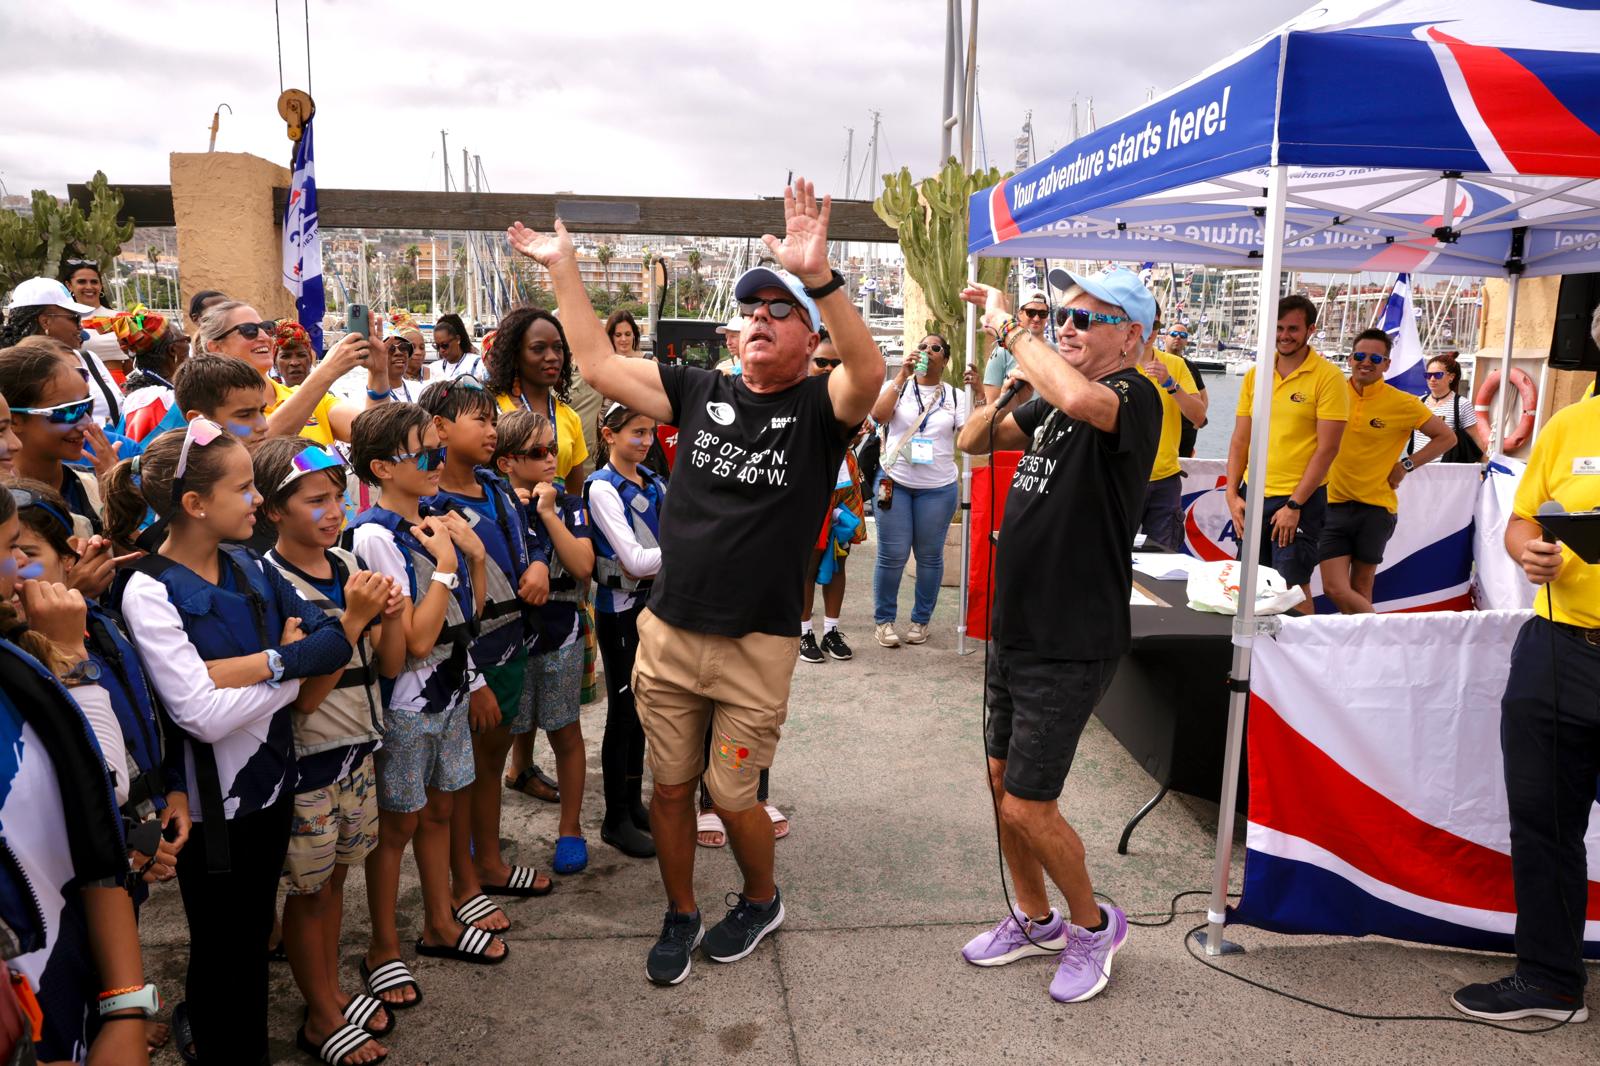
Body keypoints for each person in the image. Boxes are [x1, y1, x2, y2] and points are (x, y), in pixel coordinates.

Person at [507, 175, 884, 986]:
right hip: (670, 632)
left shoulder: (824, 408)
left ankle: (759, 898)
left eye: (779, 312)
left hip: (756, 645)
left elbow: (869, 365)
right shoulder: (698, 388)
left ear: (809, 333)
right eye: (751, 311)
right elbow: (601, 365)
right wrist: (563, 268)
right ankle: (681, 911)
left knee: (734, 794)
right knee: (671, 792)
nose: (759, 321)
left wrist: (819, 277)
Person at [104, 421, 353, 1066]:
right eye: (244, 488)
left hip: (270, 785)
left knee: (248, 944)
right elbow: (200, 717)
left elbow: (331, 641)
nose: (255, 501)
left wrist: (244, 672)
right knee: (222, 949)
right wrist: (284, 665)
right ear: (194, 504)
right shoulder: (147, 588)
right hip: (212, 812)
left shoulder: (247, 564)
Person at [954, 267, 1162, 1005]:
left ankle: (1092, 925)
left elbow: (1079, 395)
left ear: (1131, 337)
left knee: (1029, 804)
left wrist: (1016, 329)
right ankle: (1033, 917)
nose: (1068, 328)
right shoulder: (1051, 402)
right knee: (1002, 786)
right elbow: (974, 442)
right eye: (1064, 317)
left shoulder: (1134, 397)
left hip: (1072, 636)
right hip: (1017, 630)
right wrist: (1008, 382)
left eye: (1088, 319)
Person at [1451, 348, 1600, 1024]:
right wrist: (1525, 549)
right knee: (1543, 824)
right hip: (1555, 648)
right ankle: (1550, 979)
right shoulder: (1571, 424)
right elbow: (1522, 520)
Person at [346, 403, 507, 1016]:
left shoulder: (434, 519)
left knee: (441, 810)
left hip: (447, 687)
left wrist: (469, 560)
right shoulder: (373, 535)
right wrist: (446, 565)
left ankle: (439, 921)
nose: (438, 462)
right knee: (400, 825)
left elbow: (468, 614)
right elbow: (412, 639)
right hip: (407, 701)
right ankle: (381, 945)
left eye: (438, 451)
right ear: (383, 468)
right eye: (425, 454)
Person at [252, 438, 404, 1065]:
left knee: (338, 876)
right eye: (315, 500)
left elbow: (391, 664)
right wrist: (349, 621)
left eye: (338, 496)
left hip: (356, 753)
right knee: (308, 892)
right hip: (309, 763)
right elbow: (302, 701)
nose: (334, 509)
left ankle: (333, 991)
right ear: (272, 512)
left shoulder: (345, 567)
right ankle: (318, 1014)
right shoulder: (270, 585)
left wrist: (387, 615)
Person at [0, 486, 154, 1066]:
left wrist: (126, 1006)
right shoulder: (40, 655)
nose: (18, 569)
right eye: (11, 548)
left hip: (69, 969)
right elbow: (106, 779)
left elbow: (95, 807)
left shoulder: (13, 659)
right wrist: (70, 655)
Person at [418, 378, 556, 922]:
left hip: (511, 645)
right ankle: (463, 880)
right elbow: (442, 606)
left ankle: (490, 861)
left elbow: (531, 537)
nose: (493, 430)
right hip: (466, 661)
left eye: (493, 421)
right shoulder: (432, 505)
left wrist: (541, 560)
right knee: (456, 778)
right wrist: (471, 678)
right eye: (481, 420)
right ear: (441, 429)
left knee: (492, 760)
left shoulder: (494, 487)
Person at [488, 306, 596, 800]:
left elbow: (574, 486)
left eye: (558, 348)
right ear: (515, 353)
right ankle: (513, 768)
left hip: (557, 559)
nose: (551, 357)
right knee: (514, 689)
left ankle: (524, 768)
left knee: (550, 692)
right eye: (539, 348)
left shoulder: (568, 416)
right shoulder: (490, 407)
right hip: (505, 557)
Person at [492, 409, 595, 872]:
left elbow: (583, 566)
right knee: (498, 735)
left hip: (560, 633)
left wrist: (549, 512)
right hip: (508, 638)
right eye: (538, 452)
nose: (551, 458)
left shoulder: (571, 506)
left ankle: (569, 829)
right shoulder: (495, 507)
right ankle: (484, 830)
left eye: (553, 448)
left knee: (565, 729)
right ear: (506, 462)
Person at [1224, 294, 1348, 611]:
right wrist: (1231, 493)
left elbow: (1328, 448)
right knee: (1251, 584)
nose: (1284, 336)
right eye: (1278, 328)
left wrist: (1295, 504)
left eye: (1292, 328)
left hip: (1299, 500)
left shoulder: (1329, 377)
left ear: (1311, 330)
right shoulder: (1256, 374)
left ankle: (1301, 660)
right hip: (1253, 495)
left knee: (1292, 588)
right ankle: (1257, 660)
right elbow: (1240, 439)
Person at [1318, 329, 1456, 614]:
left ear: (1386, 364)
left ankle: (1359, 651)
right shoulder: (1331, 394)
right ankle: (1379, 629)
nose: (1365, 362)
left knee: (1362, 587)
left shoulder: (1403, 402)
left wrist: (1406, 465)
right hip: (1331, 504)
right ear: (1349, 359)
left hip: (1376, 508)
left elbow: (1447, 438)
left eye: (1375, 357)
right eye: (1359, 356)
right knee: (1334, 588)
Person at [585, 402, 666, 859]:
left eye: (650, 432)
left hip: (654, 609)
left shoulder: (653, 481)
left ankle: (634, 803)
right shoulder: (601, 488)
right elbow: (634, 561)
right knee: (623, 710)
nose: (646, 440)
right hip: (620, 610)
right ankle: (615, 817)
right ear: (609, 434)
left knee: (642, 710)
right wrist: (686, 555)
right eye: (636, 432)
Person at [868, 332, 969, 648]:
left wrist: (980, 393)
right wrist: (901, 374)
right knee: (892, 554)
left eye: (935, 348)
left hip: (937, 490)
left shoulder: (955, 396)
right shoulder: (899, 387)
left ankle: (920, 621)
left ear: (945, 360)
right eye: (922, 346)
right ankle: (884, 622)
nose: (927, 351)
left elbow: (970, 437)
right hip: (893, 483)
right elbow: (878, 416)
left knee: (928, 556)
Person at [195, 301, 386, 446]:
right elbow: (257, 448)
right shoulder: (212, 410)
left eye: (266, 328)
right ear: (216, 348)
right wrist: (326, 372)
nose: (264, 337)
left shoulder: (311, 398)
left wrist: (378, 373)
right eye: (249, 331)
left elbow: (374, 435)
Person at [0, 344, 114, 535]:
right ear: (15, 421)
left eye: (88, 405)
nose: (87, 422)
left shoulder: (90, 484)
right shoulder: (7, 507)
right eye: (69, 412)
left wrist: (114, 496)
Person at [799, 339, 866, 665]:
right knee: (807, 566)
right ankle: (804, 632)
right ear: (808, 364)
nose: (828, 369)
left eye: (836, 363)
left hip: (844, 488)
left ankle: (831, 630)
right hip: (808, 493)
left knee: (839, 561)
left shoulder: (850, 401)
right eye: (821, 362)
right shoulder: (797, 403)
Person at [1126, 306, 1206, 552]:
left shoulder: (1175, 365)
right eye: (1144, 322)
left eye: (1156, 325)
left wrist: (1171, 384)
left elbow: (1199, 416)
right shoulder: (1114, 363)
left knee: (1164, 563)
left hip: (1165, 480)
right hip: (1123, 478)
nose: (1150, 330)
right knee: (1111, 558)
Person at [2, 277, 123, 429]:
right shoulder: (14, 372)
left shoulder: (88, 359)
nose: (81, 326)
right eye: (74, 318)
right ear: (45, 321)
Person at [118, 321, 191, 444]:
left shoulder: (153, 395)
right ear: (173, 350)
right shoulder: (153, 400)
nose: (189, 345)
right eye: (186, 340)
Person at [1413, 352, 1489, 461]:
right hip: (1417, 468)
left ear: (1451, 377)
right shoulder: (1418, 402)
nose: (1432, 379)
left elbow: (1475, 438)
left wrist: (1484, 467)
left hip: (1447, 470)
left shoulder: (1461, 404)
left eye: (1438, 375)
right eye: (1428, 375)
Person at [61, 258, 129, 379]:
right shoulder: (64, 321)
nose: (89, 286)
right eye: (82, 282)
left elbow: (133, 359)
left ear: (101, 285)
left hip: (121, 385)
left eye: (94, 282)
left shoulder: (120, 317)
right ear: (69, 285)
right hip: (82, 384)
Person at [980, 288, 1048, 406]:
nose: (1036, 318)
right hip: (1010, 421)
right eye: (1031, 312)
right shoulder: (1002, 351)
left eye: (1042, 314)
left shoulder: (1056, 351)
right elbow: (991, 403)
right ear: (1019, 313)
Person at [1162, 323, 1209, 459]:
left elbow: (1203, 396)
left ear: (1186, 341)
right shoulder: (1157, 362)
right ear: (1165, 337)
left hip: (1187, 431)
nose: (1178, 337)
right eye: (1173, 334)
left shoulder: (1191, 367)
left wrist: (1196, 423)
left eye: (1182, 335)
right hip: (1164, 428)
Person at [433, 313, 486, 380]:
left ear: (458, 339)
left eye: (445, 345)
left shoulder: (477, 364)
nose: (441, 350)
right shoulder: (433, 368)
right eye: (437, 346)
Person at [272, 320, 315, 388]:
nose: (294, 363)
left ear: (310, 360)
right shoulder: (267, 397)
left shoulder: (328, 397)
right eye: (285, 356)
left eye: (301, 355)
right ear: (275, 364)